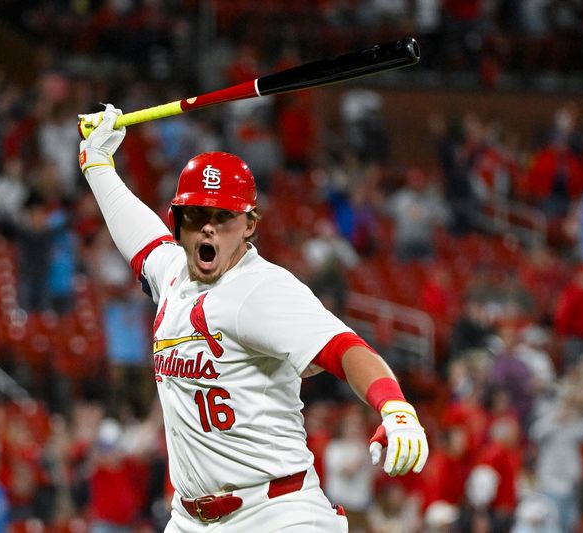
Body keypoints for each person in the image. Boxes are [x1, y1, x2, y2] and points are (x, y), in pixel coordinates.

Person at [77, 105, 429, 532]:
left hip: (276, 513)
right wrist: (97, 163)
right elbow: (137, 233)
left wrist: (394, 407)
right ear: (178, 222)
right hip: (190, 518)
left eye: (223, 217)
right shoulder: (171, 272)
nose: (209, 229)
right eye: (197, 215)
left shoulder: (261, 290)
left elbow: (344, 347)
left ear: (249, 225)